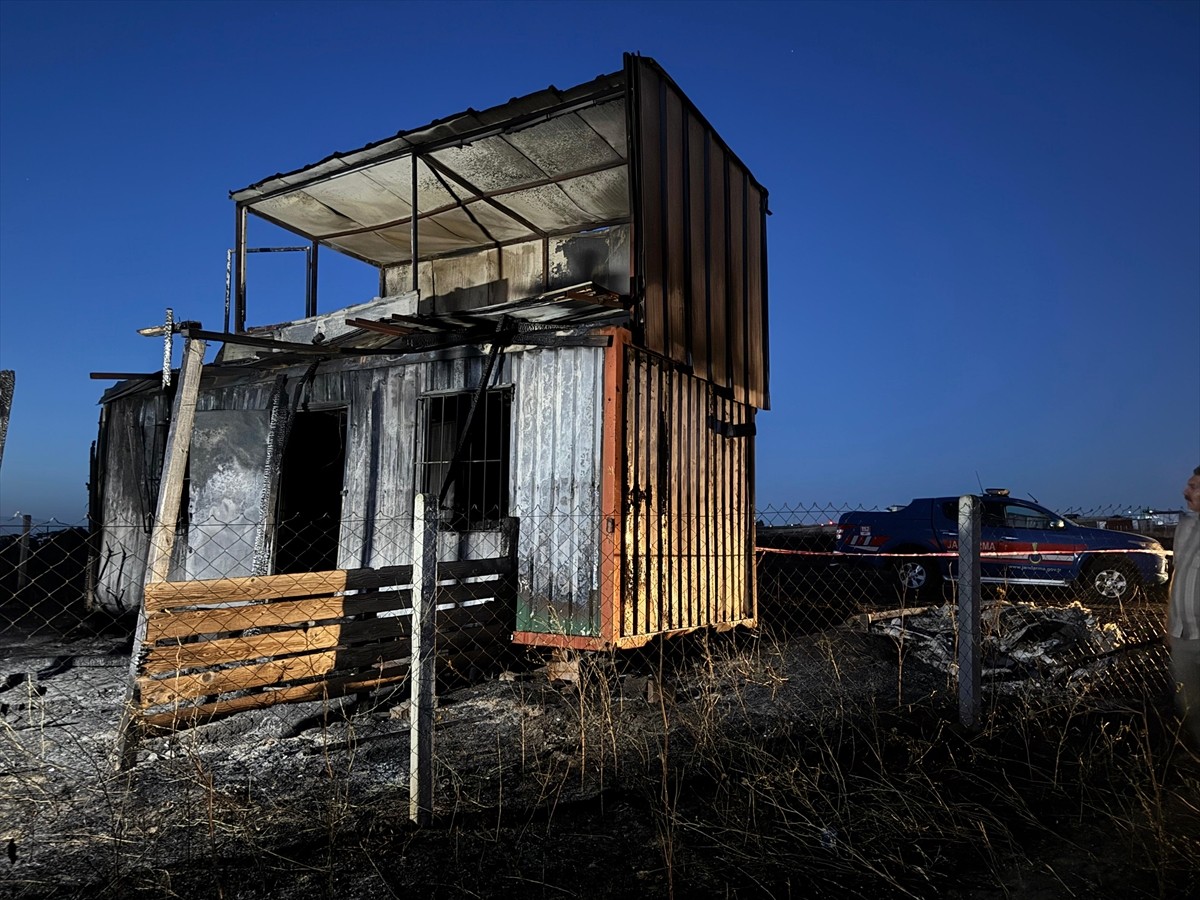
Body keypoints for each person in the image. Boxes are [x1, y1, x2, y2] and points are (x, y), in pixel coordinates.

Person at [1168, 465, 1200, 751]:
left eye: (1194, 487)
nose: (1185, 491)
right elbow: (1179, 573)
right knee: (1190, 707)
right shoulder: (1186, 526)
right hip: (1182, 637)